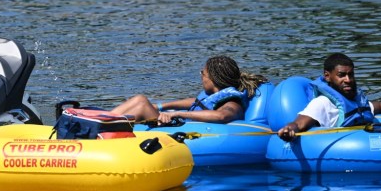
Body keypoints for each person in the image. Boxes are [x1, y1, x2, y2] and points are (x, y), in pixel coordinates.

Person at [110, 55, 269, 124]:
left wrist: (177, 114)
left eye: (203, 73)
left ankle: (104, 127)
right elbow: (196, 103)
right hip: (176, 124)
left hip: (176, 132)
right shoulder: (214, 96)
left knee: (142, 104)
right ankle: (103, 120)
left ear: (212, 79)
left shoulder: (232, 102)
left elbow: (222, 116)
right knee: (141, 99)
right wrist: (163, 106)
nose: (201, 76)